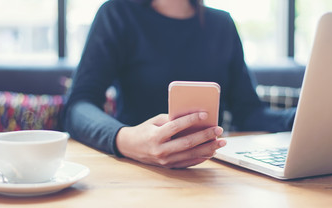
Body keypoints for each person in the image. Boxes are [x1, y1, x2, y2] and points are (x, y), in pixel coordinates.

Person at [62, 0, 295, 169]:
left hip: (211, 172)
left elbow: (249, 112)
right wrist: (124, 139)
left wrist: (303, 118)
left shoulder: (222, 24)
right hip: (138, 170)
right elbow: (77, 105)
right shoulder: (117, 14)